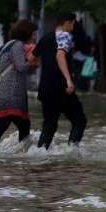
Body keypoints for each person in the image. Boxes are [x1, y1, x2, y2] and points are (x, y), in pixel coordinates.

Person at [30, 12, 88, 150]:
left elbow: (31, 58)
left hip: (45, 88)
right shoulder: (65, 36)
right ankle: (71, 152)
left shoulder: (45, 38)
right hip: (61, 87)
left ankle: (39, 154)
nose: (73, 27)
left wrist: (42, 63)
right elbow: (60, 55)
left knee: (49, 125)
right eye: (73, 24)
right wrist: (68, 79)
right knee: (79, 120)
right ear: (68, 23)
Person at [0, 20, 37, 152]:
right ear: (27, 33)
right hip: (11, 95)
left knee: (1, 126)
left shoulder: (5, 45)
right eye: (33, 33)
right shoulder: (17, 45)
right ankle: (23, 157)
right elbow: (20, 67)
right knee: (22, 126)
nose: (34, 36)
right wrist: (32, 64)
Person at [94, 23, 106, 92]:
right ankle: (105, 87)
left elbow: (96, 47)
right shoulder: (104, 34)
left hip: (103, 58)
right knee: (105, 73)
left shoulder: (99, 34)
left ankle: (103, 87)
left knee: (103, 73)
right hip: (105, 58)